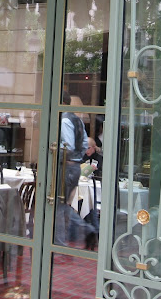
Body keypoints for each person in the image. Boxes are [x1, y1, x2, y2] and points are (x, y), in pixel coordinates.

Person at [56, 91, 98, 249]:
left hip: (66, 166)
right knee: (62, 204)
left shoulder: (64, 119)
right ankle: (83, 231)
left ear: (62, 104)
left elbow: (68, 146)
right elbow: (84, 144)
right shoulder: (78, 120)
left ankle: (60, 242)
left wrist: (54, 149)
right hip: (75, 166)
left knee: (58, 206)